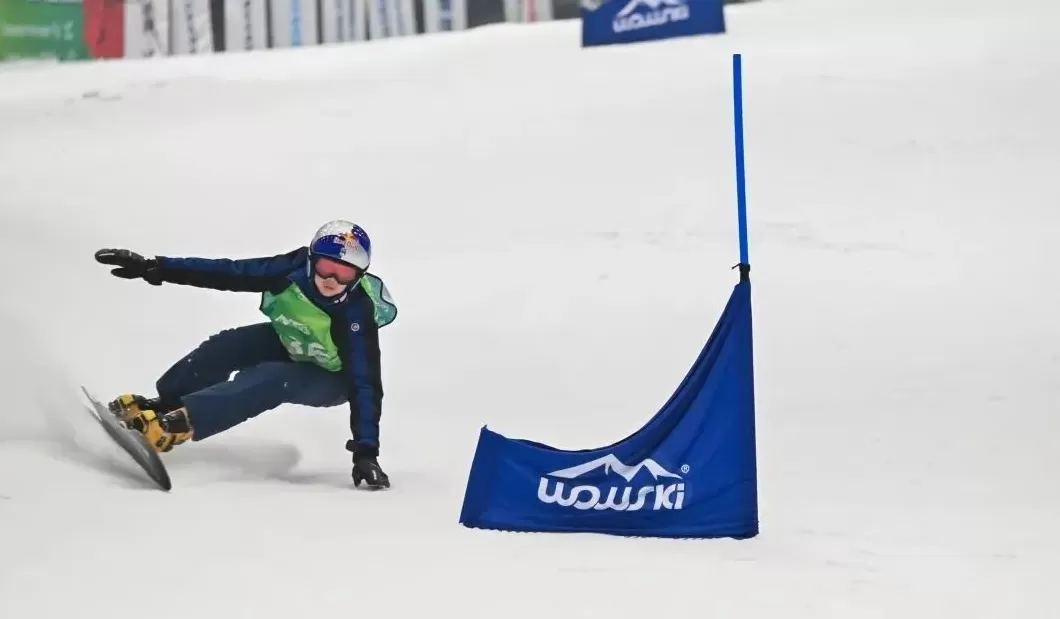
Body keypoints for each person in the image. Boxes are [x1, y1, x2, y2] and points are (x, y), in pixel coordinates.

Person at [92, 220, 398, 490]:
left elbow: (365, 383)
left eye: (345, 273)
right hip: (292, 341)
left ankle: (177, 426)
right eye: (325, 267)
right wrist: (155, 267)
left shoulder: (357, 313)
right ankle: (165, 404)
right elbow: (230, 272)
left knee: (271, 380)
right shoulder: (289, 269)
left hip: (332, 377)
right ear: (310, 260)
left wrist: (366, 452)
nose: (332, 280)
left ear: (359, 276)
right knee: (227, 346)